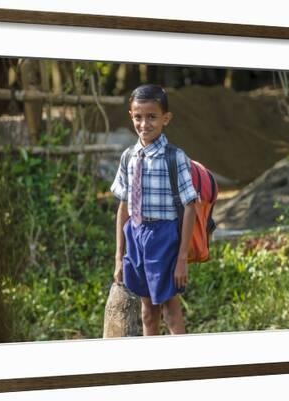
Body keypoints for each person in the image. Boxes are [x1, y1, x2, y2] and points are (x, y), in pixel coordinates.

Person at [110, 84, 197, 336]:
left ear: (165, 119)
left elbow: (191, 206)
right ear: (131, 116)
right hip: (136, 237)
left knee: (171, 311)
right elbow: (123, 207)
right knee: (147, 312)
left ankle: (181, 367)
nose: (144, 124)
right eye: (138, 117)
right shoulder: (128, 156)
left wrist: (181, 259)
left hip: (165, 238)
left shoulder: (175, 157)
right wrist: (119, 257)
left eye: (152, 117)